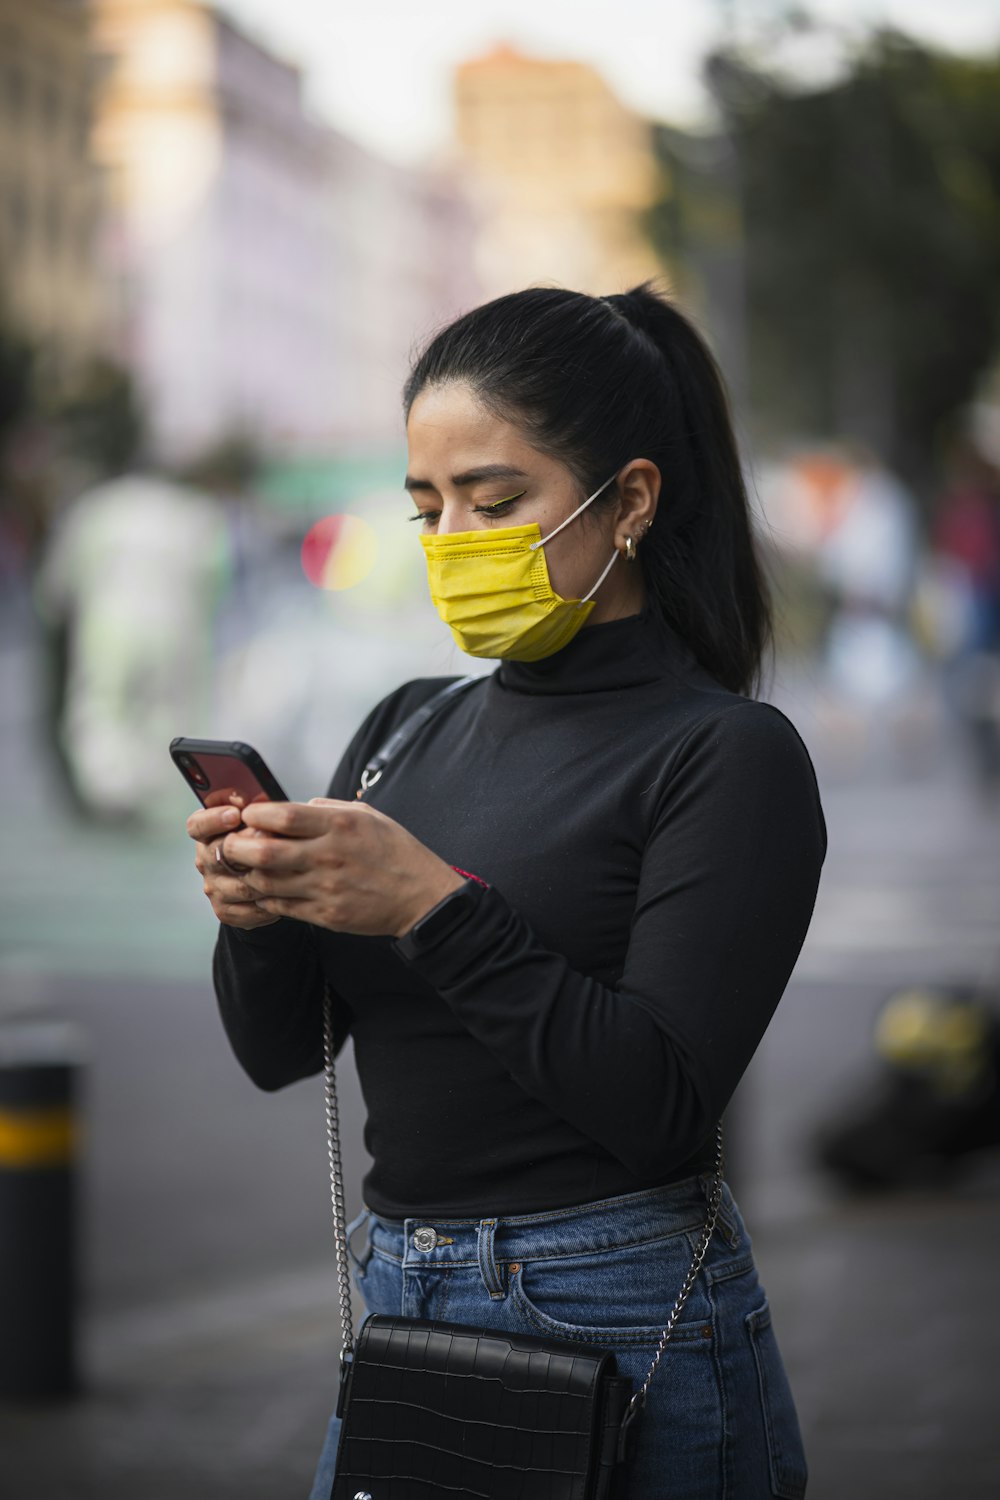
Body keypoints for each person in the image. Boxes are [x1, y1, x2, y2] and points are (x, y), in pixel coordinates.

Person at [188, 283, 827, 1499]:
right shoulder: (402, 731)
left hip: (622, 1308)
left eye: (494, 501)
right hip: (401, 1298)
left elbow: (655, 1106)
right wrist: (257, 913)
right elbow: (281, 1052)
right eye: (427, 507)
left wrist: (432, 905)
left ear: (630, 500)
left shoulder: (726, 756)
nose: (453, 544)